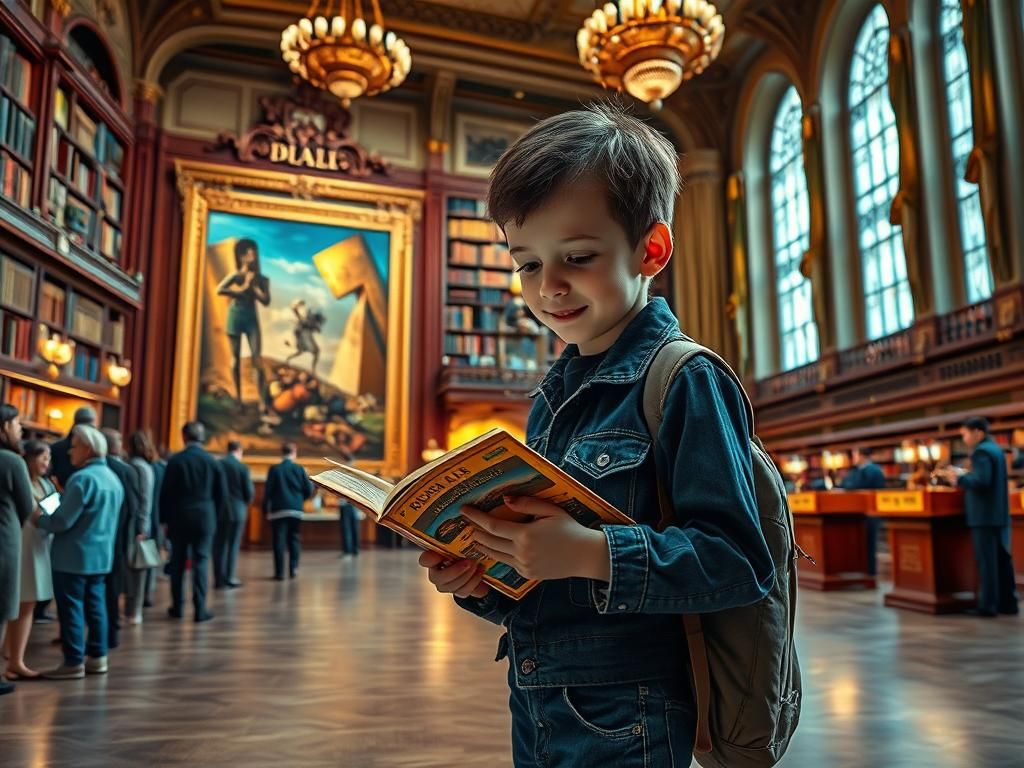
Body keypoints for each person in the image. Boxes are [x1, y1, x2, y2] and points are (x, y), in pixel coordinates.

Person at [415, 103, 775, 767]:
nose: (549, 287)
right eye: (527, 264)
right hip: (537, 698)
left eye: (577, 257)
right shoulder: (552, 398)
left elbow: (738, 564)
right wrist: (482, 580)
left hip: (631, 713)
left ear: (650, 250)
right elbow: (550, 585)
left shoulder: (685, 379)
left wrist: (592, 553)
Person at [34, 424, 122, 679]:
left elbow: (62, 521)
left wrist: (38, 519)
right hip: (101, 557)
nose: (70, 452)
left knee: (71, 608)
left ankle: (73, 661)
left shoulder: (82, 479)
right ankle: (98, 657)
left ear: (88, 449)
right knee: (96, 607)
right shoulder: (112, 479)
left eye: (74, 447)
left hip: (72, 557)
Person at [938, 417, 1019, 617]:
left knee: (987, 563)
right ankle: (1008, 604)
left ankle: (987, 606)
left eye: (965, 434)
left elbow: (981, 481)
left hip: (983, 516)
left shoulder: (981, 452)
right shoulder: (995, 449)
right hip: (997, 514)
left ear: (978, 433)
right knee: (1001, 561)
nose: (964, 439)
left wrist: (958, 477)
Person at [160, 421, 226, 622]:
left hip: (179, 518)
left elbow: (166, 494)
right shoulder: (212, 461)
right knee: (201, 561)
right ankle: (200, 609)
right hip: (205, 518)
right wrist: (215, 517)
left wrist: (163, 520)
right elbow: (221, 495)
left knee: (177, 563)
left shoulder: (175, 461)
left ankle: (178, 608)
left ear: (184, 436)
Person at [4, 440, 56, 680]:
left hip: (38, 543)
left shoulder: (46, 483)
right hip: (21, 541)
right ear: (31, 457)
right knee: (17, 600)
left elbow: (52, 511)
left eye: (49, 458)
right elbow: (31, 512)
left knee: (27, 601)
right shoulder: (19, 476)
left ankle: (13, 655)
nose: (47, 462)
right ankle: (13, 658)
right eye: (43, 456)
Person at [0, 405, 34, 695]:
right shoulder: (12, 461)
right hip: (4, 540)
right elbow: (27, 506)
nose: (20, 429)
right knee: (1, 605)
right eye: (16, 423)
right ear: (4, 427)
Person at [101, 428, 144, 649]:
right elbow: (134, 507)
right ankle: (112, 632)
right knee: (113, 586)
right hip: (118, 537)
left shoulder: (86, 469)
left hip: (93, 537)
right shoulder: (126, 470)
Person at [217, 238, 271, 411]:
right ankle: (238, 399)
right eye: (249, 254)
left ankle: (262, 401)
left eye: (254, 253)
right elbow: (220, 289)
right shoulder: (236, 276)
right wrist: (243, 288)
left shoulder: (262, 279)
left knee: (257, 359)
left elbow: (266, 300)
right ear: (242, 257)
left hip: (251, 319)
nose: (253, 257)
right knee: (235, 359)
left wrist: (254, 287)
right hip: (235, 317)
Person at [263, 442, 313, 581]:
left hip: (278, 510)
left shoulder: (274, 469)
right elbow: (309, 489)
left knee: (278, 541)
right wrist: (300, 500)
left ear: (282, 452)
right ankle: (293, 568)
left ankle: (279, 572)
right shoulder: (299, 469)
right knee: (294, 539)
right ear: (294, 452)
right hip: (295, 509)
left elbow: (268, 491)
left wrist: (265, 509)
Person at [125, 430, 157, 624]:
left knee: (137, 569)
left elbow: (144, 499)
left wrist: (142, 528)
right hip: (141, 522)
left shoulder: (137, 467)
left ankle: (134, 610)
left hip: (136, 524)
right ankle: (133, 610)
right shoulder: (145, 466)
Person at [839, 447, 887, 576]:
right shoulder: (855, 470)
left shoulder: (874, 470)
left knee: (869, 543)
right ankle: (858, 570)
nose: (853, 458)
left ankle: (870, 572)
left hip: (869, 513)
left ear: (862, 456)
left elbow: (856, 487)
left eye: (855, 455)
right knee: (857, 543)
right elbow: (845, 485)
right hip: (854, 513)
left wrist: (847, 488)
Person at [215, 440, 253, 588]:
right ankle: (229, 577)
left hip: (219, 510)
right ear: (239, 450)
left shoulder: (218, 464)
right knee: (233, 545)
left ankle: (219, 579)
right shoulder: (242, 467)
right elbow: (248, 493)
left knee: (219, 545)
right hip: (238, 511)